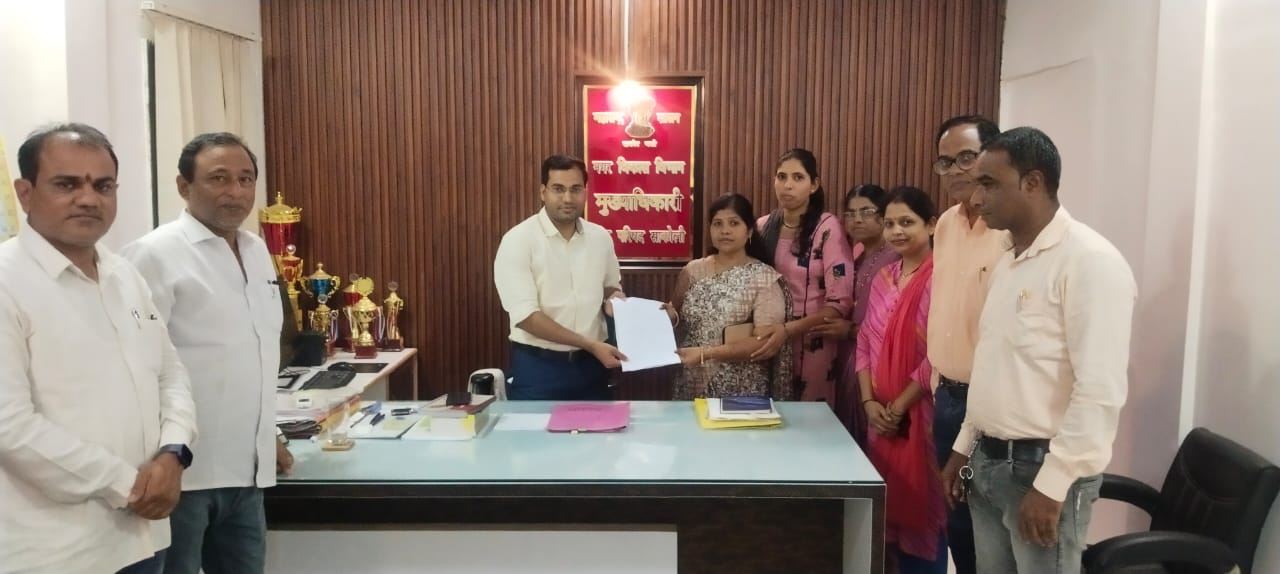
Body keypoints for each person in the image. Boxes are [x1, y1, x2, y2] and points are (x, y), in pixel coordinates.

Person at [0, 123, 197, 573]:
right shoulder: (8, 282)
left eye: (103, 185)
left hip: (143, 537)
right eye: (67, 184)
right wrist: (129, 484)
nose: (88, 198)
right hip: (57, 551)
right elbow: (9, 426)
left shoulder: (123, 274)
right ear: (25, 193)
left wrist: (174, 452)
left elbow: (170, 374)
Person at [941, 127, 1136, 573]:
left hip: (1041, 473)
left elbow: (1099, 391)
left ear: (1032, 182)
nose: (976, 197)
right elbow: (993, 367)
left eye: (989, 184)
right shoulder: (1010, 260)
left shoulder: (1089, 261)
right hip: (988, 465)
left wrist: (1053, 485)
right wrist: (963, 448)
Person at [122, 132, 289, 574]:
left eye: (245, 179)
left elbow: (254, 352)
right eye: (218, 178)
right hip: (182, 475)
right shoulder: (153, 254)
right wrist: (163, 456)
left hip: (247, 474)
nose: (235, 191)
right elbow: (134, 365)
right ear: (184, 186)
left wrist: (266, 435)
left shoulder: (256, 250)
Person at [925, 114, 1002, 574]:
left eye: (966, 158)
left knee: (989, 528)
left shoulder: (1008, 230)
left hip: (990, 405)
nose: (954, 170)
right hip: (948, 398)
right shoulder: (947, 226)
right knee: (957, 523)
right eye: (945, 161)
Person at [856, 186, 946, 573]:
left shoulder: (942, 279)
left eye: (907, 222)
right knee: (885, 514)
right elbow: (864, 341)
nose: (896, 231)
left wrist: (898, 407)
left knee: (926, 512)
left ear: (931, 224)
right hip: (880, 418)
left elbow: (938, 355)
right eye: (890, 223)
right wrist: (869, 403)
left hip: (922, 417)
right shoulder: (884, 278)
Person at [494, 154, 627, 400]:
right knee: (537, 427)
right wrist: (589, 344)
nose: (567, 198)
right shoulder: (518, 240)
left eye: (575, 189)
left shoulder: (600, 238)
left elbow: (611, 288)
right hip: (539, 368)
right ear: (543, 192)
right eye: (558, 189)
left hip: (593, 368)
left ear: (585, 192)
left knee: (597, 427)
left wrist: (616, 300)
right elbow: (526, 317)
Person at [664, 193, 792, 400]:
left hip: (740, 391)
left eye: (734, 223)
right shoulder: (693, 270)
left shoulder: (763, 278)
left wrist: (707, 353)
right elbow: (675, 314)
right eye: (718, 224)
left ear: (749, 231)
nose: (725, 230)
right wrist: (663, 314)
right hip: (691, 382)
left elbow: (764, 342)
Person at [755, 148, 854, 403]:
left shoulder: (827, 228)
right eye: (781, 177)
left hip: (812, 341)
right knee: (768, 413)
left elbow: (839, 302)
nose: (787, 185)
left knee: (809, 417)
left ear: (814, 185)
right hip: (767, 338)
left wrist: (788, 330)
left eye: (798, 178)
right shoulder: (762, 227)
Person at [816, 184, 899, 446]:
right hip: (847, 355)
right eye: (850, 213)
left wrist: (851, 330)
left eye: (866, 211)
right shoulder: (854, 254)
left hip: (878, 359)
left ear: (883, 215)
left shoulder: (896, 258)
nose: (857, 219)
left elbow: (897, 322)